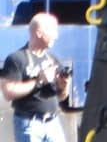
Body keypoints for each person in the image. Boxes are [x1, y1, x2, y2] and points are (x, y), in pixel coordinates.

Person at [0, 13, 69, 142]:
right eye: (53, 31)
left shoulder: (53, 60)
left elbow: (61, 97)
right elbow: (8, 93)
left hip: (53, 123)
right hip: (29, 124)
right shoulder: (17, 59)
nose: (56, 36)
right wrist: (39, 81)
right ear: (39, 33)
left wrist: (63, 85)